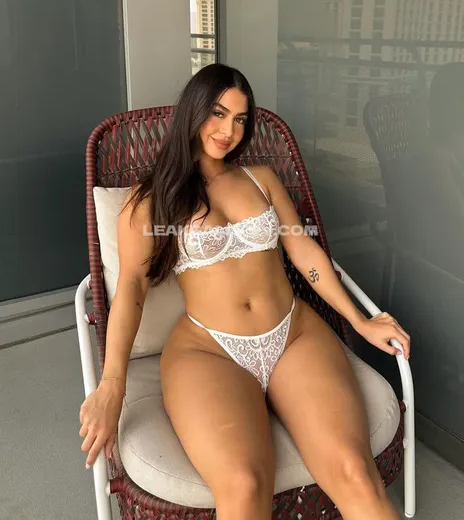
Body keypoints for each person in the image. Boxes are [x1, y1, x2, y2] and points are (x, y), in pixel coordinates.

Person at [79, 63, 410, 520]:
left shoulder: (261, 179)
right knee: (243, 488)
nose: (228, 131)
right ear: (194, 111)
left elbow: (303, 252)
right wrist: (112, 384)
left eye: (240, 119)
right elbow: (131, 290)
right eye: (218, 113)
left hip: (293, 335)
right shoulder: (149, 201)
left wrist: (360, 320)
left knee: (355, 472)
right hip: (209, 350)